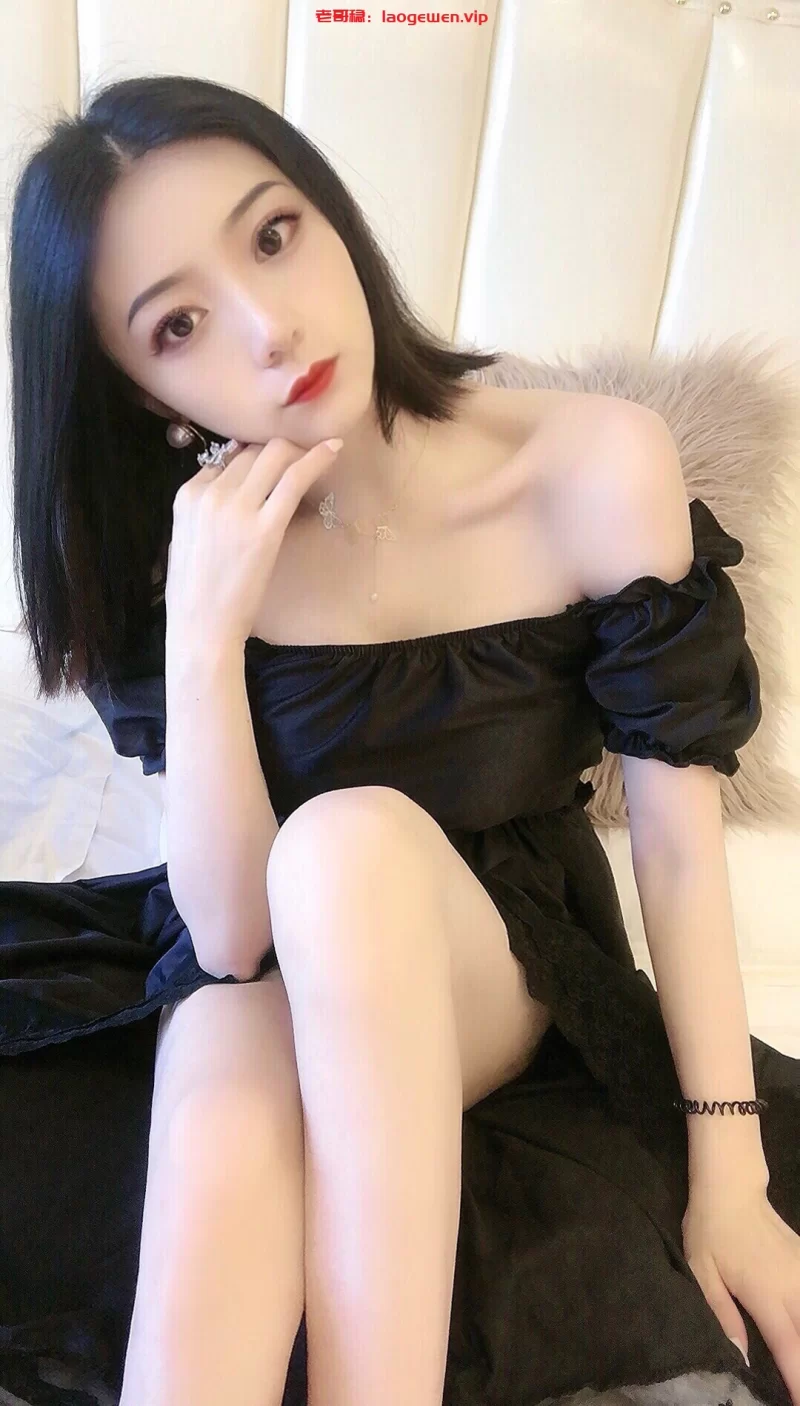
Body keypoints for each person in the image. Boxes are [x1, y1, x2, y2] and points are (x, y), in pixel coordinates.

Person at [0, 71, 797, 1406]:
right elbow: (229, 937)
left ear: (331, 212)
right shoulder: (181, 553)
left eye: (273, 235)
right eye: (180, 324)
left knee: (343, 846)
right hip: (268, 960)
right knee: (223, 1091)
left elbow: (675, 850)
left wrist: (733, 1174)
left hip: (509, 957)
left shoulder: (594, 463)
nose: (269, 327)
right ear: (141, 392)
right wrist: (203, 634)